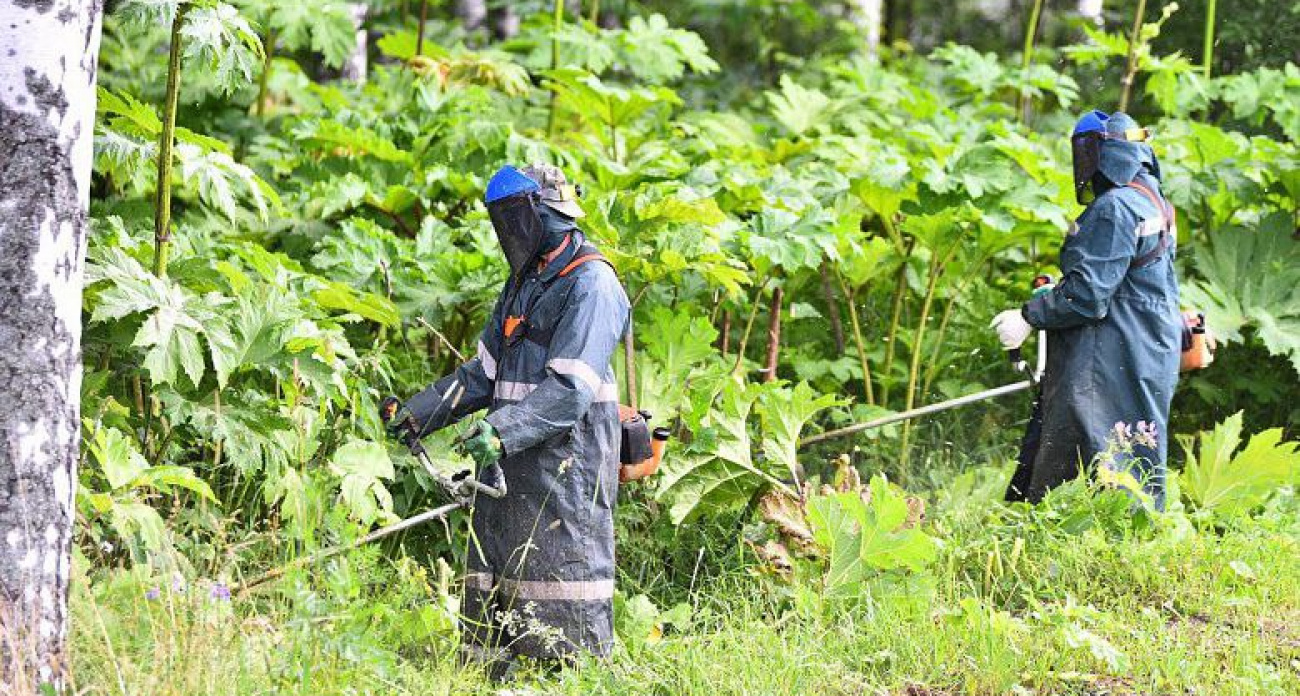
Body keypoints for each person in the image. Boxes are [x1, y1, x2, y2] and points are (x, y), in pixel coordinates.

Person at [386, 164, 630, 672]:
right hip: (507, 474)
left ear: (544, 213)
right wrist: (419, 414)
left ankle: (566, 677)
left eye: (514, 218)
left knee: (563, 591)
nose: (508, 233)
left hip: (566, 470)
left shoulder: (592, 284)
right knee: (497, 588)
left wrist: (501, 432)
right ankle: (490, 676)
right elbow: (484, 374)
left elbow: (569, 390)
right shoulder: (524, 283)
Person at [993, 111, 1181, 510]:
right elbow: (1125, 282)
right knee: (1134, 456)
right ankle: (1128, 542)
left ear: (1106, 152)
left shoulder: (1115, 208)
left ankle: (1052, 541)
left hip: (1109, 357)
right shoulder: (1155, 204)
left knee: (1082, 461)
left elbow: (1089, 294)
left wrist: (1029, 316)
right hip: (1143, 350)